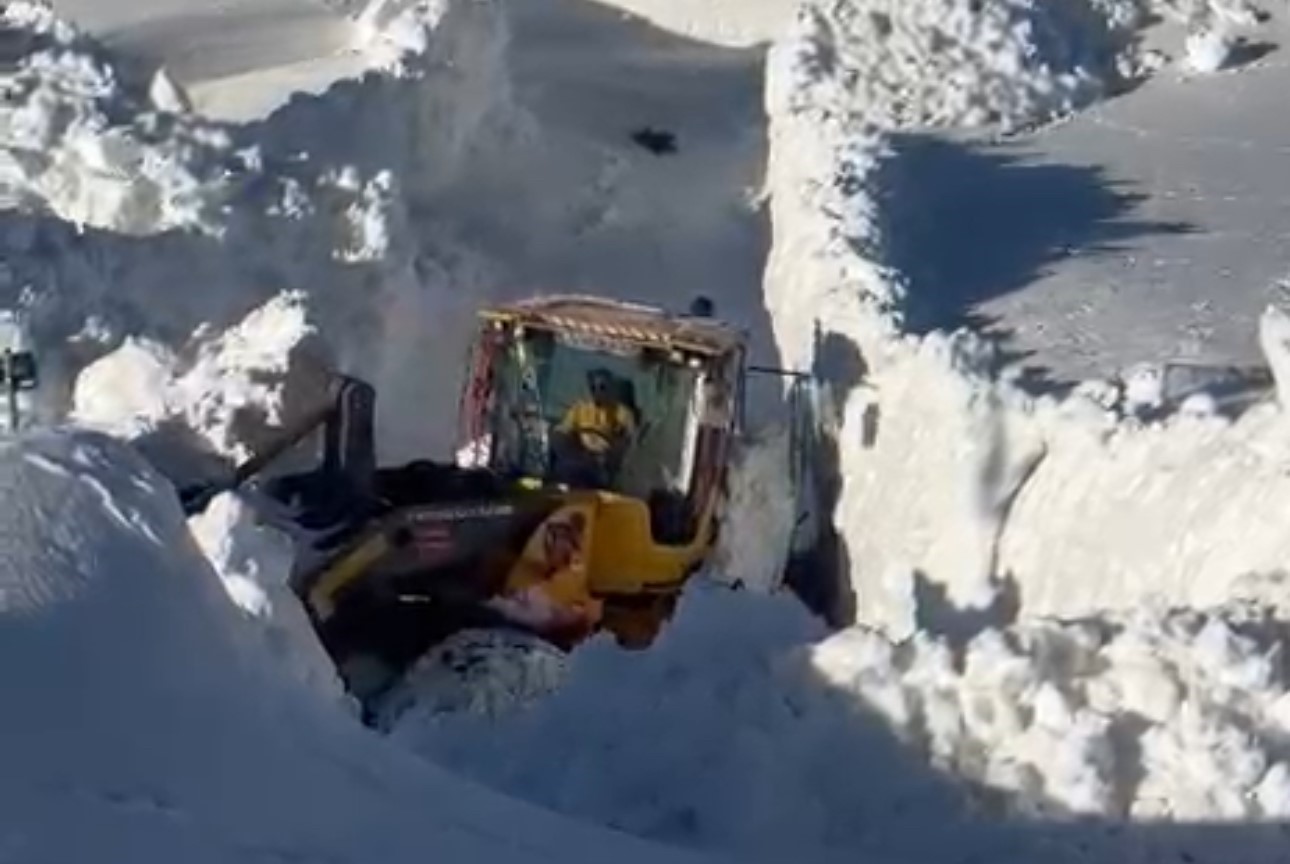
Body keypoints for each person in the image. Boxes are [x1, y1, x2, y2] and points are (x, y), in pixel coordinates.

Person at [549, 367, 636, 487]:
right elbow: (562, 431)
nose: (597, 392)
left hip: (604, 463)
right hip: (578, 456)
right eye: (593, 388)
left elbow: (629, 440)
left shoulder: (622, 413)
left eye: (602, 388)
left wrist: (614, 451)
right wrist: (564, 442)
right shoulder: (579, 409)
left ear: (611, 388)